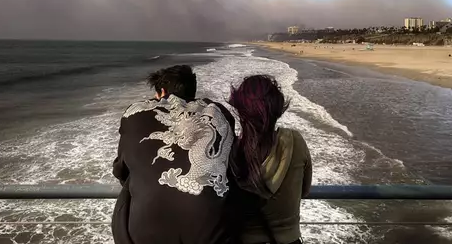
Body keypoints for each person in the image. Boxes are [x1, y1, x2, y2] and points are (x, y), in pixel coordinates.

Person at [111, 65, 240, 244]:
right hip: (212, 233)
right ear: (192, 92)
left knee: (128, 188)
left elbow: (120, 170)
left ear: (161, 92)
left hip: (146, 234)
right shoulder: (218, 112)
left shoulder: (134, 112)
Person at [227, 75, 312, 244]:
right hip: (288, 240)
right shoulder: (294, 141)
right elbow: (305, 190)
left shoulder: (229, 151)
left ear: (239, 110)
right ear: (278, 108)